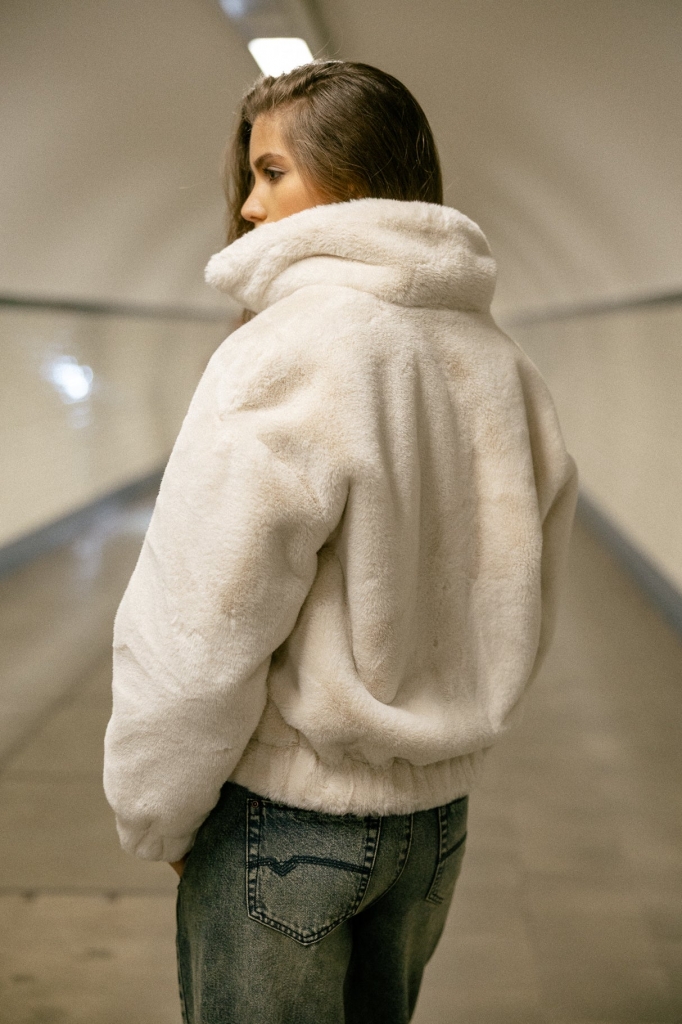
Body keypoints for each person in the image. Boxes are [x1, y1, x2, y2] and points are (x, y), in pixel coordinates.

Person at [104, 60, 577, 1024]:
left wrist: (158, 809)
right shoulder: (501, 361)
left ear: (353, 178)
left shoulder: (288, 348)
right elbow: (530, 583)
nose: (248, 205)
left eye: (272, 171)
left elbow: (202, 615)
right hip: (435, 829)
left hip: (286, 824)